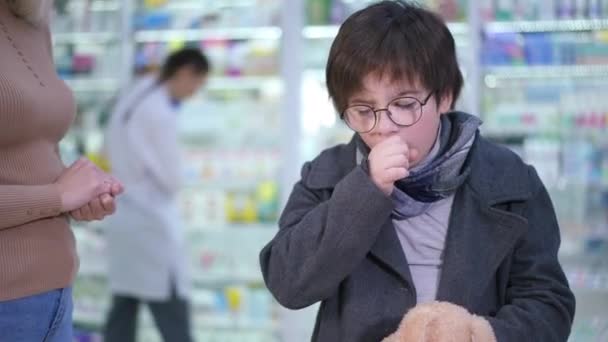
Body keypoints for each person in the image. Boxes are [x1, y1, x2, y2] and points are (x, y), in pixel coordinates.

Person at [260, 1, 576, 341]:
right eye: (364, 110)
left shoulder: (509, 178)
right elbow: (287, 283)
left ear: (445, 97)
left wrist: (479, 335)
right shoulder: (327, 173)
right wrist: (365, 190)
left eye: (404, 105)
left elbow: (548, 303)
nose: (384, 127)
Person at [0, 0, 123, 340]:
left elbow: (35, 147)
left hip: (54, 297)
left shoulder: (31, 16)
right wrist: (56, 196)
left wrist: (79, 193)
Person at [103, 47, 210, 342]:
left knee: (123, 308)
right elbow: (173, 179)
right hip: (152, 222)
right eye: (197, 83)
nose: (195, 91)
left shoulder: (138, 92)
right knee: (172, 309)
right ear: (186, 73)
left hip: (124, 217)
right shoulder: (160, 112)